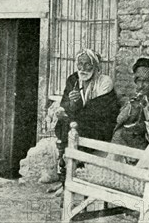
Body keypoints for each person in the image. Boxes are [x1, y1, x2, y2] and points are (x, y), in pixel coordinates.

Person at [52, 49, 121, 193]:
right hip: (79, 121)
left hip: (100, 124)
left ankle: (74, 178)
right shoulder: (73, 80)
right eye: (80, 64)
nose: (82, 69)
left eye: (87, 64)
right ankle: (65, 179)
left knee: (75, 127)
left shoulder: (105, 82)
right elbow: (66, 105)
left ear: (95, 66)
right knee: (63, 125)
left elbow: (100, 109)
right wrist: (72, 103)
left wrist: (76, 109)